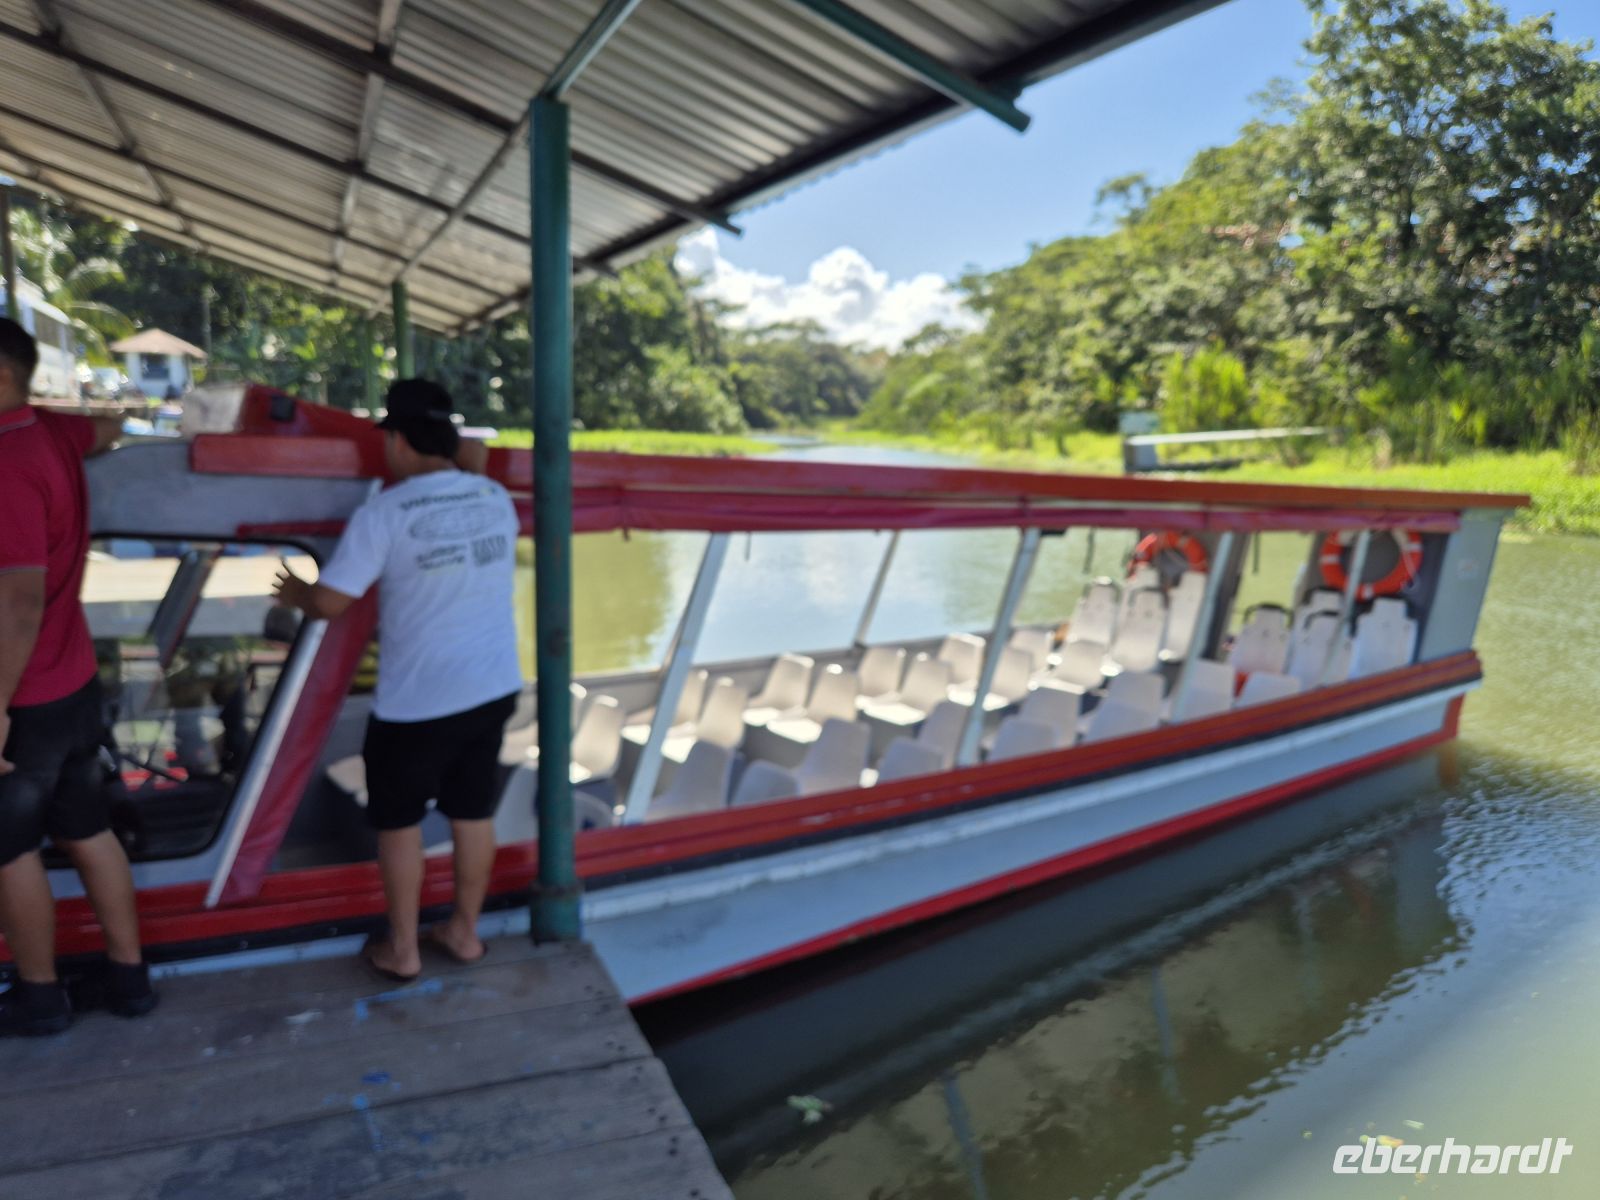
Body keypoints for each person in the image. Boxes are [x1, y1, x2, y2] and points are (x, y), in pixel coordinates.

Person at [274, 379, 520, 982]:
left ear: (401, 441)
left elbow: (331, 603)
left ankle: (403, 949)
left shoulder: (384, 512)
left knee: (399, 822)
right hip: (492, 688)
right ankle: (464, 933)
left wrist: (294, 591)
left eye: (388, 436)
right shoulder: (494, 497)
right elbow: (475, 465)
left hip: (417, 704)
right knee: (471, 812)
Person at [0, 316, 156, 1036]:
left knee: (9, 849)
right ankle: (129, 978)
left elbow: (19, 599)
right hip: (73, 682)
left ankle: (40, 995)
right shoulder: (52, 434)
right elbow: (110, 426)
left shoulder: (6, 464)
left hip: (23, 697)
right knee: (88, 829)